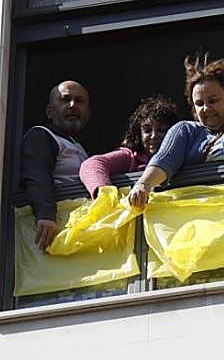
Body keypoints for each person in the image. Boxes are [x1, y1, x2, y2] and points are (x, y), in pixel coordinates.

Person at [128, 55, 224, 209]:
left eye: (213, 100)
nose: (206, 108)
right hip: (193, 216)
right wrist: (143, 185)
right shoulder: (185, 131)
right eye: (199, 103)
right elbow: (163, 160)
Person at [21, 81, 91, 250]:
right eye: (65, 99)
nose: (72, 105)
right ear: (49, 111)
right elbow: (36, 175)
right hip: (54, 232)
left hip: (78, 228)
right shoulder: (41, 135)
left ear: (88, 113)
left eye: (79, 101)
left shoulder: (79, 147)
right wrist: (45, 214)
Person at [79, 96, 181, 198]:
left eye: (161, 130)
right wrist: (106, 196)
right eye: (147, 130)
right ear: (139, 134)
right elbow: (91, 165)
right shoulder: (131, 158)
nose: (153, 136)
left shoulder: (182, 154)